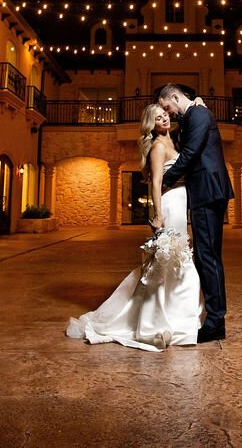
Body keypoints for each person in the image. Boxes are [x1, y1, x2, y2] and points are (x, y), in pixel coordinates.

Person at [65, 104, 203, 351]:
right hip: (170, 204)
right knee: (173, 262)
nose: (164, 120)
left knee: (173, 262)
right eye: (158, 118)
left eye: (165, 116)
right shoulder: (159, 147)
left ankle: (176, 319)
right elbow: (156, 183)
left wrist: (197, 103)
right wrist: (159, 214)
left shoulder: (175, 141)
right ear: (152, 124)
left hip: (182, 205)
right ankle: (158, 323)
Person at [157, 83, 233, 343]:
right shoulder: (193, 115)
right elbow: (182, 141)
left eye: (168, 107)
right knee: (204, 255)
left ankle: (215, 322)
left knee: (208, 256)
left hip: (209, 191)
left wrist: (164, 180)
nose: (168, 113)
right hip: (203, 192)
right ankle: (214, 317)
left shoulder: (199, 115)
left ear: (175, 97)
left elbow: (190, 153)